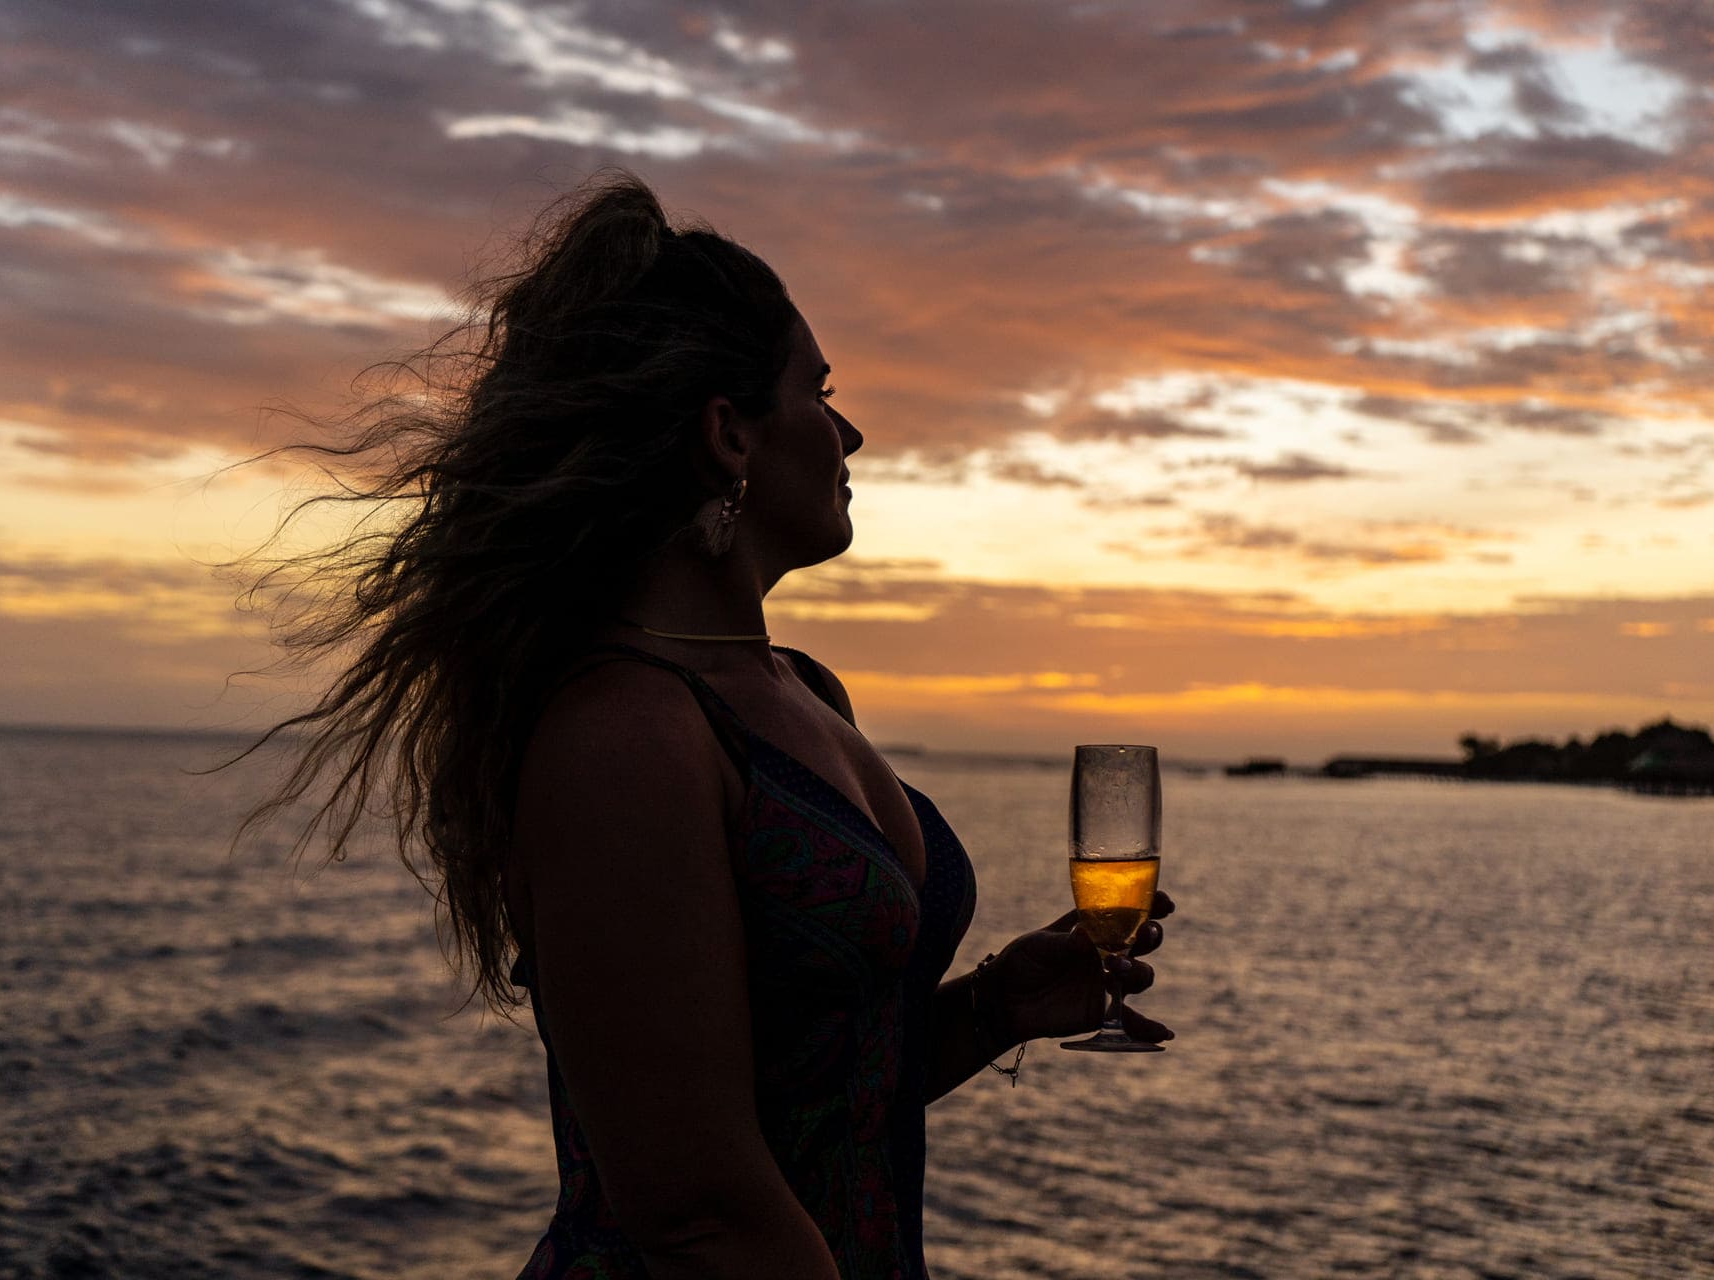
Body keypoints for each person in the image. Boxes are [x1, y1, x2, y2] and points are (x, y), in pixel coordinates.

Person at [242, 172, 1172, 1280]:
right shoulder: (623, 733)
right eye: (819, 394)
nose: (852, 431)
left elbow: (818, 1094)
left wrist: (992, 1007)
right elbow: (696, 1206)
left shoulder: (800, 690)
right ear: (730, 432)